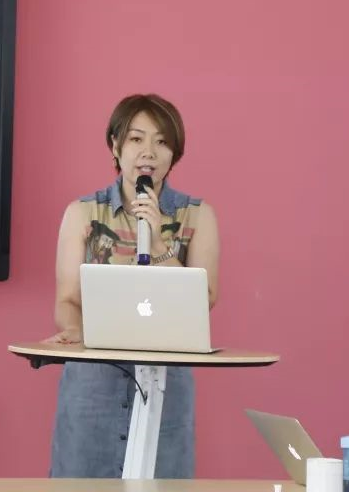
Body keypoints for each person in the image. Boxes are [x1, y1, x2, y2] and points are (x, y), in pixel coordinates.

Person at [46, 93, 220, 478]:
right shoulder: (83, 213)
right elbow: (68, 298)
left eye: (162, 142)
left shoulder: (197, 215)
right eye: (136, 139)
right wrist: (75, 333)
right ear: (116, 145)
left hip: (166, 381)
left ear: (174, 153)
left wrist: (157, 243)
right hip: (93, 381)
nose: (149, 153)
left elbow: (204, 299)